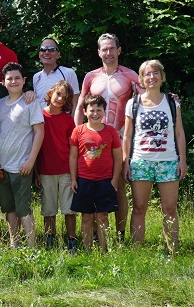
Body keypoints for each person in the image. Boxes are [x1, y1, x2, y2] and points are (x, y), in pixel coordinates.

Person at [73, 33, 140, 239]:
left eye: (112, 48)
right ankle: (95, 233)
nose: (108, 53)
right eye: (105, 49)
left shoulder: (130, 75)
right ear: (99, 52)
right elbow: (80, 106)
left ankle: (119, 234)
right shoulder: (91, 76)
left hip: (119, 138)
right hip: (92, 139)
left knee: (118, 186)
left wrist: (168, 97)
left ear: (119, 50)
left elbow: (147, 99)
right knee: (91, 185)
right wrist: (78, 133)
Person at [122, 60, 187, 255]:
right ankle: (137, 252)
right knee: (139, 208)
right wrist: (126, 162)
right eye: (147, 74)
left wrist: (182, 160)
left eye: (155, 73)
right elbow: (127, 135)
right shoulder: (133, 103)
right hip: (141, 161)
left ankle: (172, 251)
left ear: (162, 77)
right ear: (141, 79)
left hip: (168, 161)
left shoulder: (171, 102)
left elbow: (179, 133)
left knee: (170, 209)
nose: (152, 77)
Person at [0, 62, 44, 248]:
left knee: (24, 209)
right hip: (2, 166)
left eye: (16, 78)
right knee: (9, 209)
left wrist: (31, 160)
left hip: (22, 165)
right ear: (3, 82)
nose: (13, 81)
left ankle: (31, 247)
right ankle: (15, 244)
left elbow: (39, 132)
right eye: (9, 78)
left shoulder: (31, 103)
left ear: (23, 80)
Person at [70, 94, 122, 252]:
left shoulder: (111, 131)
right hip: (84, 180)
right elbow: (73, 156)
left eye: (99, 110)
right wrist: (74, 179)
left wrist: (114, 180)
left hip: (105, 181)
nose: (95, 113)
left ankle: (104, 250)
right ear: (85, 112)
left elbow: (118, 157)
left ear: (104, 112)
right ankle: (87, 249)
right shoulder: (78, 131)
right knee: (86, 217)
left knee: (102, 216)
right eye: (91, 110)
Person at [36, 80, 77, 251]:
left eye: (64, 97)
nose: (60, 99)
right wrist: (36, 173)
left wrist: (75, 175)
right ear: (51, 92)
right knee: (49, 209)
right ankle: (50, 240)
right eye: (58, 94)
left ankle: (72, 240)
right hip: (45, 170)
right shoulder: (39, 116)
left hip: (66, 170)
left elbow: (73, 150)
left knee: (69, 209)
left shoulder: (68, 120)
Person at [32, 37, 80, 109]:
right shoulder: (36, 77)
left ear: (58, 55)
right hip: (40, 119)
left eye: (51, 49)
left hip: (62, 119)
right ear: (39, 54)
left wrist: (72, 120)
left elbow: (75, 103)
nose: (47, 52)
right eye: (43, 49)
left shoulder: (68, 73)